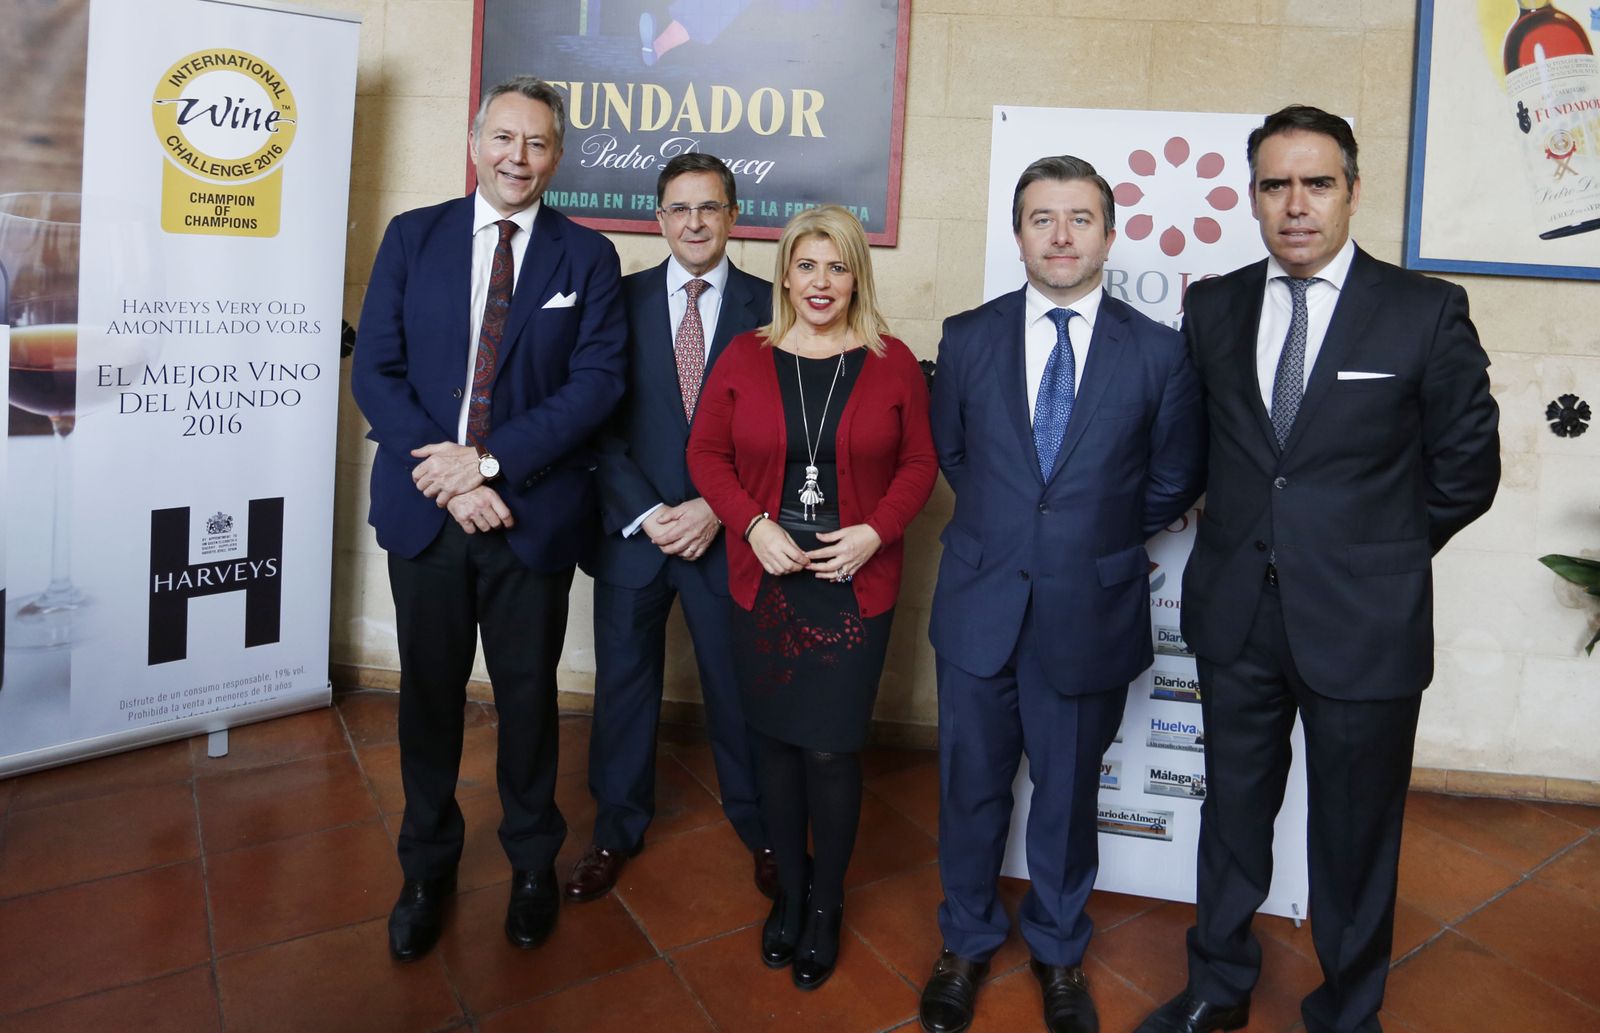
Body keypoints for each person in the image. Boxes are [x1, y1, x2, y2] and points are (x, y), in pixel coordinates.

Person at [1132, 106, 1500, 1033]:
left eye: (1317, 183)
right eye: (1275, 185)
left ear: (1352, 191)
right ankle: (1217, 986)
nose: (1296, 205)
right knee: (1232, 818)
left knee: (1355, 833)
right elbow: (1210, 448)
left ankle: (1347, 1009)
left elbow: (1468, 469)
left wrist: (1371, 559)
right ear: (1253, 196)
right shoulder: (1212, 306)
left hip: (1363, 623)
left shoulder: (1425, 310)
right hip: (1235, 615)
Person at [919, 156, 1207, 1033]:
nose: (1061, 235)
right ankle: (966, 940)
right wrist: (1020, 530)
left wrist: (1089, 535)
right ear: (1018, 235)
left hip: (1091, 605)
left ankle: (1056, 948)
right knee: (970, 787)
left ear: (1110, 236)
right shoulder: (967, 336)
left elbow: (1171, 479)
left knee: (1069, 793)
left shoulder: (1159, 350)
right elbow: (957, 458)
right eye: (1042, 218)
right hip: (980, 606)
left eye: (1080, 219)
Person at [350, 75, 626, 962]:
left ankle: (532, 862)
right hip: (430, 514)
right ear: (476, 144)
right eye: (504, 138)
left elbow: (597, 385)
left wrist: (492, 461)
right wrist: (453, 476)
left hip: (529, 517)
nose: (519, 157)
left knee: (528, 703)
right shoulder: (412, 237)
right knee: (427, 700)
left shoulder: (587, 258)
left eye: (538, 143)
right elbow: (376, 373)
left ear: (557, 157)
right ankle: (426, 866)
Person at [686, 205, 936, 990]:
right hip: (767, 577)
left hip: (852, 584)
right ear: (785, 274)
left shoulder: (893, 360)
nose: (820, 283)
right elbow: (706, 452)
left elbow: (920, 465)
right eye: (806, 266)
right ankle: (789, 894)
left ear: (857, 272)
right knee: (774, 747)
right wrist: (751, 524)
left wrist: (876, 532)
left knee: (830, 750)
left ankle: (826, 904)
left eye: (836, 266)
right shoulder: (743, 355)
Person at [570, 152, 777, 903]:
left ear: (732, 216)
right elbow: (594, 419)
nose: (695, 222)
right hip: (637, 533)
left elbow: (779, 434)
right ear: (659, 219)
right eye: (680, 209)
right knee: (624, 689)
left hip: (728, 537)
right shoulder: (613, 302)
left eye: (710, 207)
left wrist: (716, 509)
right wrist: (651, 511)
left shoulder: (772, 307)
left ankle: (763, 830)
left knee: (739, 689)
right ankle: (614, 828)